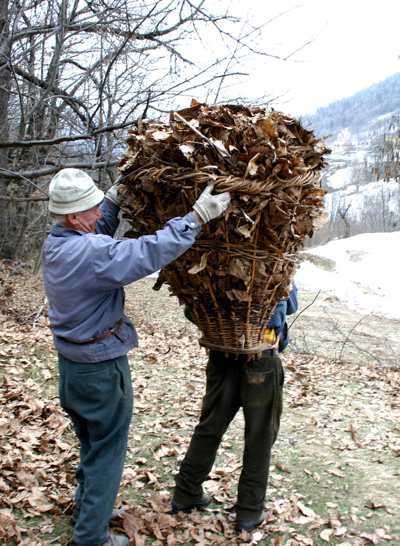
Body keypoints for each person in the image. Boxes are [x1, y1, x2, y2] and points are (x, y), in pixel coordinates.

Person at [41, 168, 230, 546]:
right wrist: (196, 217)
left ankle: (87, 508)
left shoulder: (57, 243)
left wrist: (111, 199)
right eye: (92, 208)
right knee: (108, 451)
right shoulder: (90, 253)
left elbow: (97, 234)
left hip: (73, 368)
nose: (99, 214)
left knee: (92, 443)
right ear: (75, 217)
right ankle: (91, 538)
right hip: (100, 369)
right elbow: (145, 252)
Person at [171, 286, 298, 533]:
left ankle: (186, 493)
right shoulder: (272, 260)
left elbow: (191, 309)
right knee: (260, 435)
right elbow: (289, 305)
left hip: (221, 353)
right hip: (261, 355)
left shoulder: (216, 262)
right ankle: (249, 512)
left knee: (210, 426)